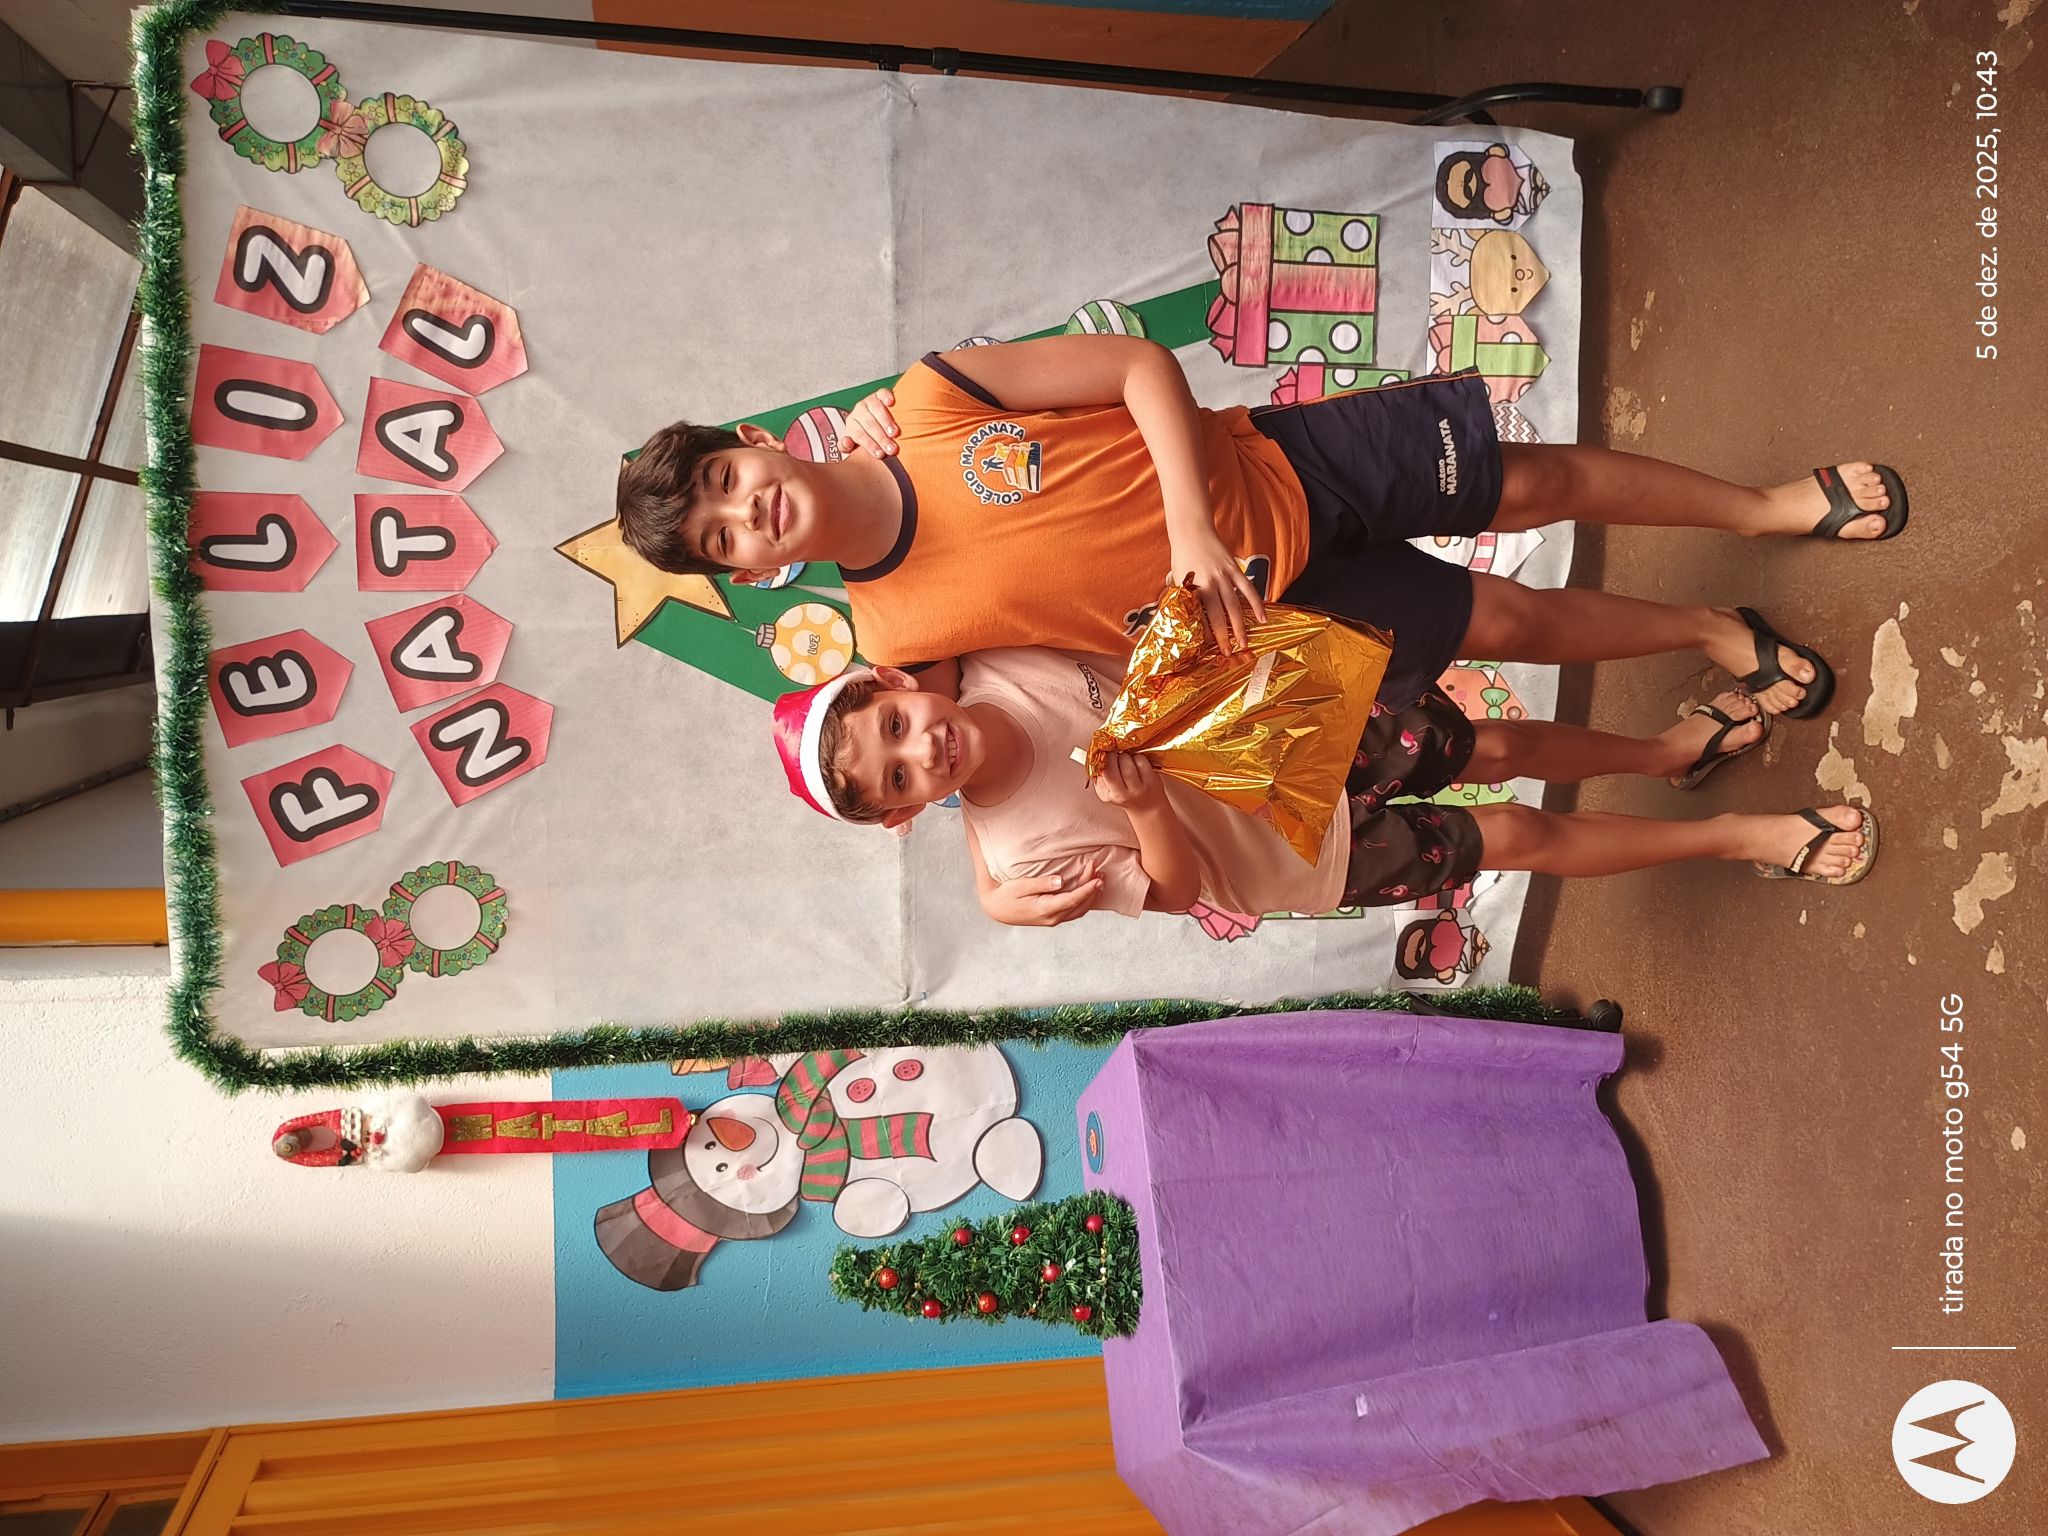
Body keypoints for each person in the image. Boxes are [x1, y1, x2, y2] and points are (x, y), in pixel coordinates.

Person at [616, 334, 1907, 721]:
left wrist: (1189, 520)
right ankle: (1711, 629)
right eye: (725, 540)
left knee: (1534, 483)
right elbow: (1022, 713)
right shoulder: (892, 637)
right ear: (756, 572)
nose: (744, 511)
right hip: (1271, 621)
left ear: (757, 440)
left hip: (1288, 469)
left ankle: (1765, 507)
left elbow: (1138, 366)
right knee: (1508, 623)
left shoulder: (928, 400)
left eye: (726, 479)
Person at [768, 657, 1879, 932]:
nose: (923, 749)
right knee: (1516, 831)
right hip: (1303, 857)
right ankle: (1739, 837)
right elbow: (1178, 893)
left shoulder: (990, 658)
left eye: (896, 724)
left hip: (1295, 739)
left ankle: (1665, 750)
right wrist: (1146, 807)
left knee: (1489, 742)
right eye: (899, 779)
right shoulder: (1021, 865)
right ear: (905, 813)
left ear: (897, 682)